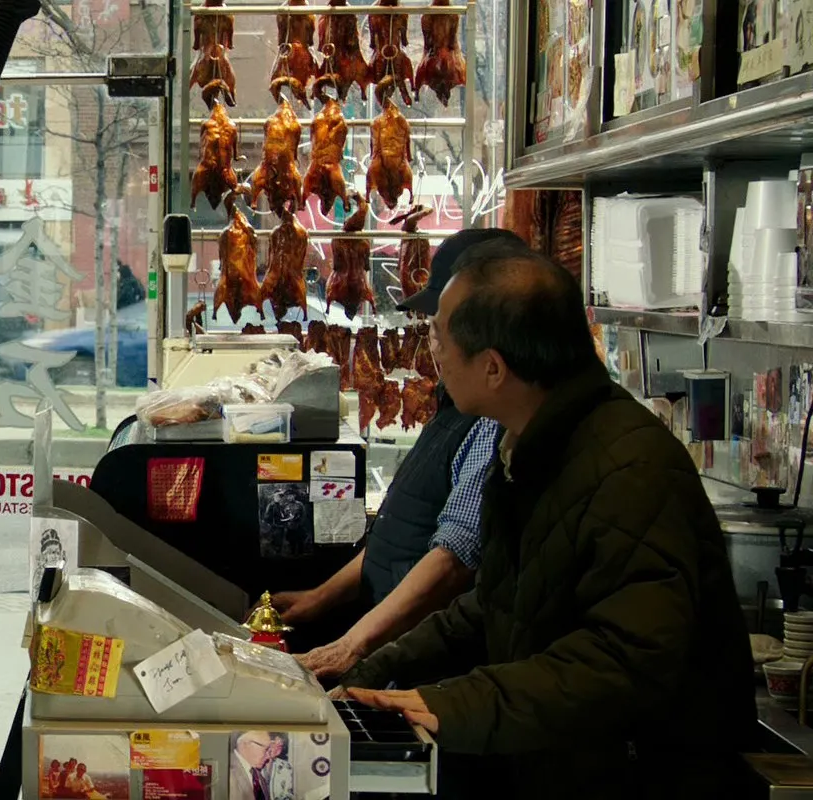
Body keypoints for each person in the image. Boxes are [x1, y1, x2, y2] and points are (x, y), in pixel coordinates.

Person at [341, 242, 755, 799]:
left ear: (493, 367)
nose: (433, 351)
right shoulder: (530, 446)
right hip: (564, 766)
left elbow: (625, 658)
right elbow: (497, 602)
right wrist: (373, 666)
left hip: (643, 779)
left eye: (440, 336)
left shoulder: (630, 469)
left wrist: (457, 704)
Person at [272, 229, 521, 679]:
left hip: (427, 665)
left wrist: (351, 646)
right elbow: (401, 531)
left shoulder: (494, 422)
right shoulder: (457, 408)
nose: (433, 344)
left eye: (439, 327)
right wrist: (319, 598)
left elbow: (453, 559)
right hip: (393, 644)